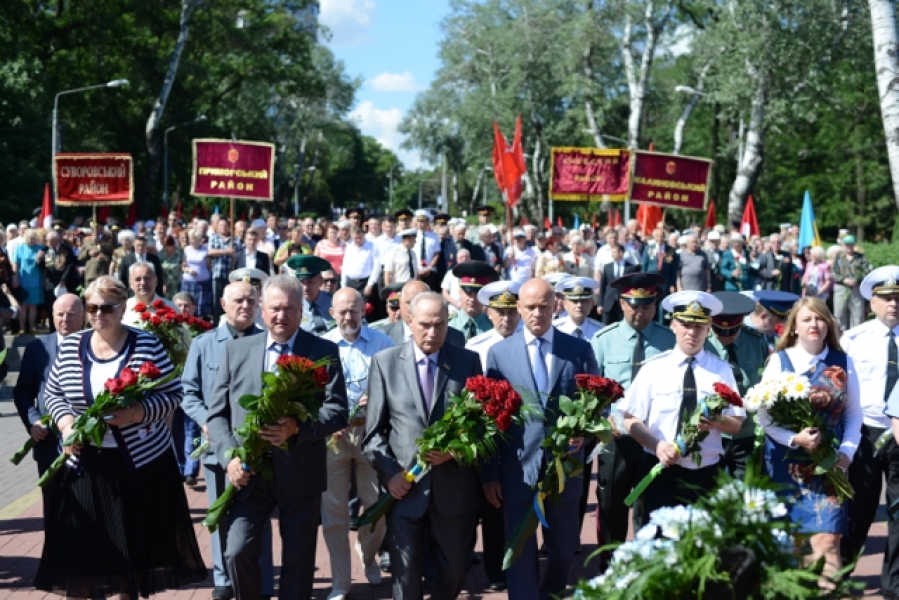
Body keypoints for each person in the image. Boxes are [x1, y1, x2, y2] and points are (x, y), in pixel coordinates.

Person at [34, 276, 205, 598]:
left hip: (137, 465)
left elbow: (173, 393)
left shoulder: (146, 344)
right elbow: (53, 393)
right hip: (83, 462)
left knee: (131, 559)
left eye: (107, 308)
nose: (99, 314)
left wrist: (136, 413)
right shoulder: (72, 344)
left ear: (123, 308)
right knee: (81, 556)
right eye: (92, 307)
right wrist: (68, 425)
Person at [206, 275, 348, 600]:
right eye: (274, 308)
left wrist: (296, 429)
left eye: (288, 308)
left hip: (301, 472)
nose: (280, 316)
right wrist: (230, 457)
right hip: (248, 474)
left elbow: (337, 410)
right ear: (261, 310)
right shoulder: (236, 351)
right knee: (237, 552)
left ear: (301, 311)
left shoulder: (322, 351)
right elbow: (217, 414)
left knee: (297, 564)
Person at [482, 278, 599, 600]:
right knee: (519, 548)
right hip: (517, 468)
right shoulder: (499, 354)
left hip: (565, 471)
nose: (537, 313)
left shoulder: (578, 350)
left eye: (544, 306)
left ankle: (551, 594)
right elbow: (492, 420)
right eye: (530, 306)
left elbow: (596, 406)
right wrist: (490, 474)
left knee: (563, 549)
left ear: (555, 306)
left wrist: (584, 435)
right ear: (519, 308)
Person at [362, 291, 483, 599]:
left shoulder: (467, 362)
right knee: (406, 579)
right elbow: (373, 434)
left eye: (440, 324)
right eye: (425, 324)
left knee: (455, 569)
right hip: (405, 491)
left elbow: (480, 429)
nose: (432, 332)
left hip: (453, 491)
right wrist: (391, 474)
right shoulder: (385, 363)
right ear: (409, 320)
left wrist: (453, 451)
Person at [181, 281, 274, 600]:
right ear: (223, 303)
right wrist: (206, 421)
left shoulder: (268, 343)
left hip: (259, 449)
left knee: (258, 518)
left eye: (251, 300)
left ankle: (261, 583)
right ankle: (224, 580)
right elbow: (188, 392)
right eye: (238, 300)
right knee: (220, 513)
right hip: (217, 448)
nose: (245, 305)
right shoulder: (204, 344)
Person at [760, 296, 861, 585]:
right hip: (786, 464)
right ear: (794, 327)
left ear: (828, 324)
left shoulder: (843, 362)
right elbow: (765, 418)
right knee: (792, 546)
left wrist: (847, 451)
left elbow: (854, 414)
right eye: (807, 319)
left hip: (829, 466)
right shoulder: (779, 362)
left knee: (829, 542)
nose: (814, 324)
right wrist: (795, 438)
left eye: (819, 318)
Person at [619, 291, 744, 524]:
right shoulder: (654, 368)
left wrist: (718, 423)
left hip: (706, 472)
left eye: (699, 327)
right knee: (660, 543)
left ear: (708, 329)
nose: (691, 333)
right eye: (685, 325)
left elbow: (736, 423)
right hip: (661, 470)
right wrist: (656, 445)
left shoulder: (722, 371)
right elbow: (630, 419)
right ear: (673, 325)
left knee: (703, 547)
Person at [590, 273, 675, 566]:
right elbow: (590, 391)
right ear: (622, 303)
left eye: (647, 305)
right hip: (617, 439)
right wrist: (603, 421)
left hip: (654, 439)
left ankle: (647, 567)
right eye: (634, 305)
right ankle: (611, 566)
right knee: (612, 505)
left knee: (650, 508)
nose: (640, 312)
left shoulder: (669, 340)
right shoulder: (603, 340)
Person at [321, 288, 394, 599]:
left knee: (378, 507)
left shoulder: (383, 343)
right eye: (342, 312)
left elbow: (397, 385)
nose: (348, 317)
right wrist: (326, 421)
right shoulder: (321, 345)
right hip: (334, 439)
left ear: (364, 311)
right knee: (334, 513)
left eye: (354, 310)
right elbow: (309, 394)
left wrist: (376, 399)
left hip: (371, 435)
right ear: (332, 313)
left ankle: (367, 556)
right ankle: (341, 581)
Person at [839, 266, 899, 588]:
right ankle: (841, 576)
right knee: (859, 510)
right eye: (887, 298)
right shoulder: (854, 339)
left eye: (898, 298)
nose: (894, 304)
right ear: (872, 302)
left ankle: (894, 586)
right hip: (865, 433)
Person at [13, 294, 83, 479]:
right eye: (60, 314)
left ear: (83, 317)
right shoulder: (37, 349)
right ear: (52, 316)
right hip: (49, 441)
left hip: (86, 442)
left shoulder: (95, 344)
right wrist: (33, 421)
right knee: (53, 504)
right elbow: (22, 392)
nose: (65, 319)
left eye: (71, 314)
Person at [706, 291, 769, 479]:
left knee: (746, 496)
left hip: (748, 434)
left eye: (732, 331)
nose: (725, 337)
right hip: (713, 435)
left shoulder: (756, 341)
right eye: (719, 331)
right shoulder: (703, 343)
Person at [382, 280, 465, 348]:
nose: (414, 307)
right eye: (409, 302)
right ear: (400, 304)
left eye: (421, 302)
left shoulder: (454, 337)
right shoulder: (382, 336)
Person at [447, 261, 497, 341]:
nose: (473, 299)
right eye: (468, 293)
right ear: (460, 292)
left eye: (477, 294)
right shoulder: (448, 324)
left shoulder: (494, 325)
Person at [287, 254, 335, 335]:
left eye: (310, 282)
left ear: (320, 281)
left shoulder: (333, 302)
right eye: (301, 282)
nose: (305, 287)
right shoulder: (293, 305)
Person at [831, 235, 871, 332]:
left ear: (854, 245)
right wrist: (844, 279)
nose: (849, 247)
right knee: (839, 312)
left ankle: (856, 335)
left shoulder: (861, 258)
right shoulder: (838, 257)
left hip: (856, 288)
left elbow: (867, 271)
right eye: (846, 245)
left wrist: (857, 280)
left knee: (858, 314)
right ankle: (840, 336)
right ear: (843, 245)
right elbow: (833, 272)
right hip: (841, 287)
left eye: (851, 244)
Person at [207, 218, 242, 321]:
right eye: (221, 225)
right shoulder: (214, 238)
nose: (223, 227)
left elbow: (240, 254)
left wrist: (234, 255)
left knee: (230, 300)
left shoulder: (235, 239)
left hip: (231, 276)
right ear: (217, 227)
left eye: (225, 225)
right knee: (217, 301)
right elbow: (210, 252)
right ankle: (217, 322)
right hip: (217, 274)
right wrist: (226, 251)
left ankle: (230, 320)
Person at [122, 262, 178, 326]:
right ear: (130, 284)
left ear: (156, 281)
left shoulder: (171, 308)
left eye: (147, 278)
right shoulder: (122, 309)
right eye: (138, 279)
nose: (143, 283)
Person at [12, 229, 45, 334]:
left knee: (33, 306)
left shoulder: (41, 248)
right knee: (23, 306)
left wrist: (44, 279)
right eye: (30, 238)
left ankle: (32, 327)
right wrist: (15, 278)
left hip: (36, 281)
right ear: (26, 238)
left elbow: (45, 266)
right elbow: (15, 265)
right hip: (23, 280)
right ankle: (22, 328)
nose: (32, 240)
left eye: (34, 238)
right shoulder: (19, 248)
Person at [598, 244, 641, 325]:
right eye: (612, 252)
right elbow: (603, 286)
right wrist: (600, 304)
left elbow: (633, 286)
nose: (612, 254)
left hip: (624, 303)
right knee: (605, 326)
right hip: (608, 304)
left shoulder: (631, 268)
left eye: (614, 252)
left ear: (621, 253)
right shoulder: (607, 267)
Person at [181, 229, 213, 318]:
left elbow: (209, 266)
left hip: (203, 283)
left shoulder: (205, 249)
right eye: (190, 238)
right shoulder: (187, 249)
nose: (191, 240)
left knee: (202, 308)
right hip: (188, 283)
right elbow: (183, 266)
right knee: (188, 304)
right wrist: (188, 270)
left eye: (193, 238)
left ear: (199, 239)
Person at [340, 226, 378, 298]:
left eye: (360, 238)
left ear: (364, 236)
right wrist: (343, 286)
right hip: (351, 283)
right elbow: (345, 267)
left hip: (365, 282)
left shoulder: (372, 246)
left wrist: (370, 284)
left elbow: (376, 267)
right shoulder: (349, 247)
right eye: (355, 238)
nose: (358, 240)